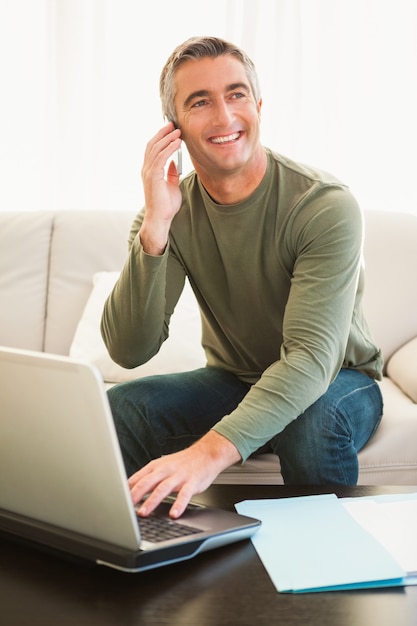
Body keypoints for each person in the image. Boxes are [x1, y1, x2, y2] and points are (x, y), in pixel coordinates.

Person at [101, 36, 383, 519]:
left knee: (309, 420)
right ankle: (146, 551)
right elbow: (130, 350)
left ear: (258, 105)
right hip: (235, 379)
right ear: (176, 129)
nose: (224, 116)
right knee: (121, 407)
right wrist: (154, 229)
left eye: (235, 94)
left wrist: (209, 453)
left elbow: (311, 361)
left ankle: (324, 575)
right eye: (200, 102)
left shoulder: (323, 205)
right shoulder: (168, 213)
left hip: (337, 380)